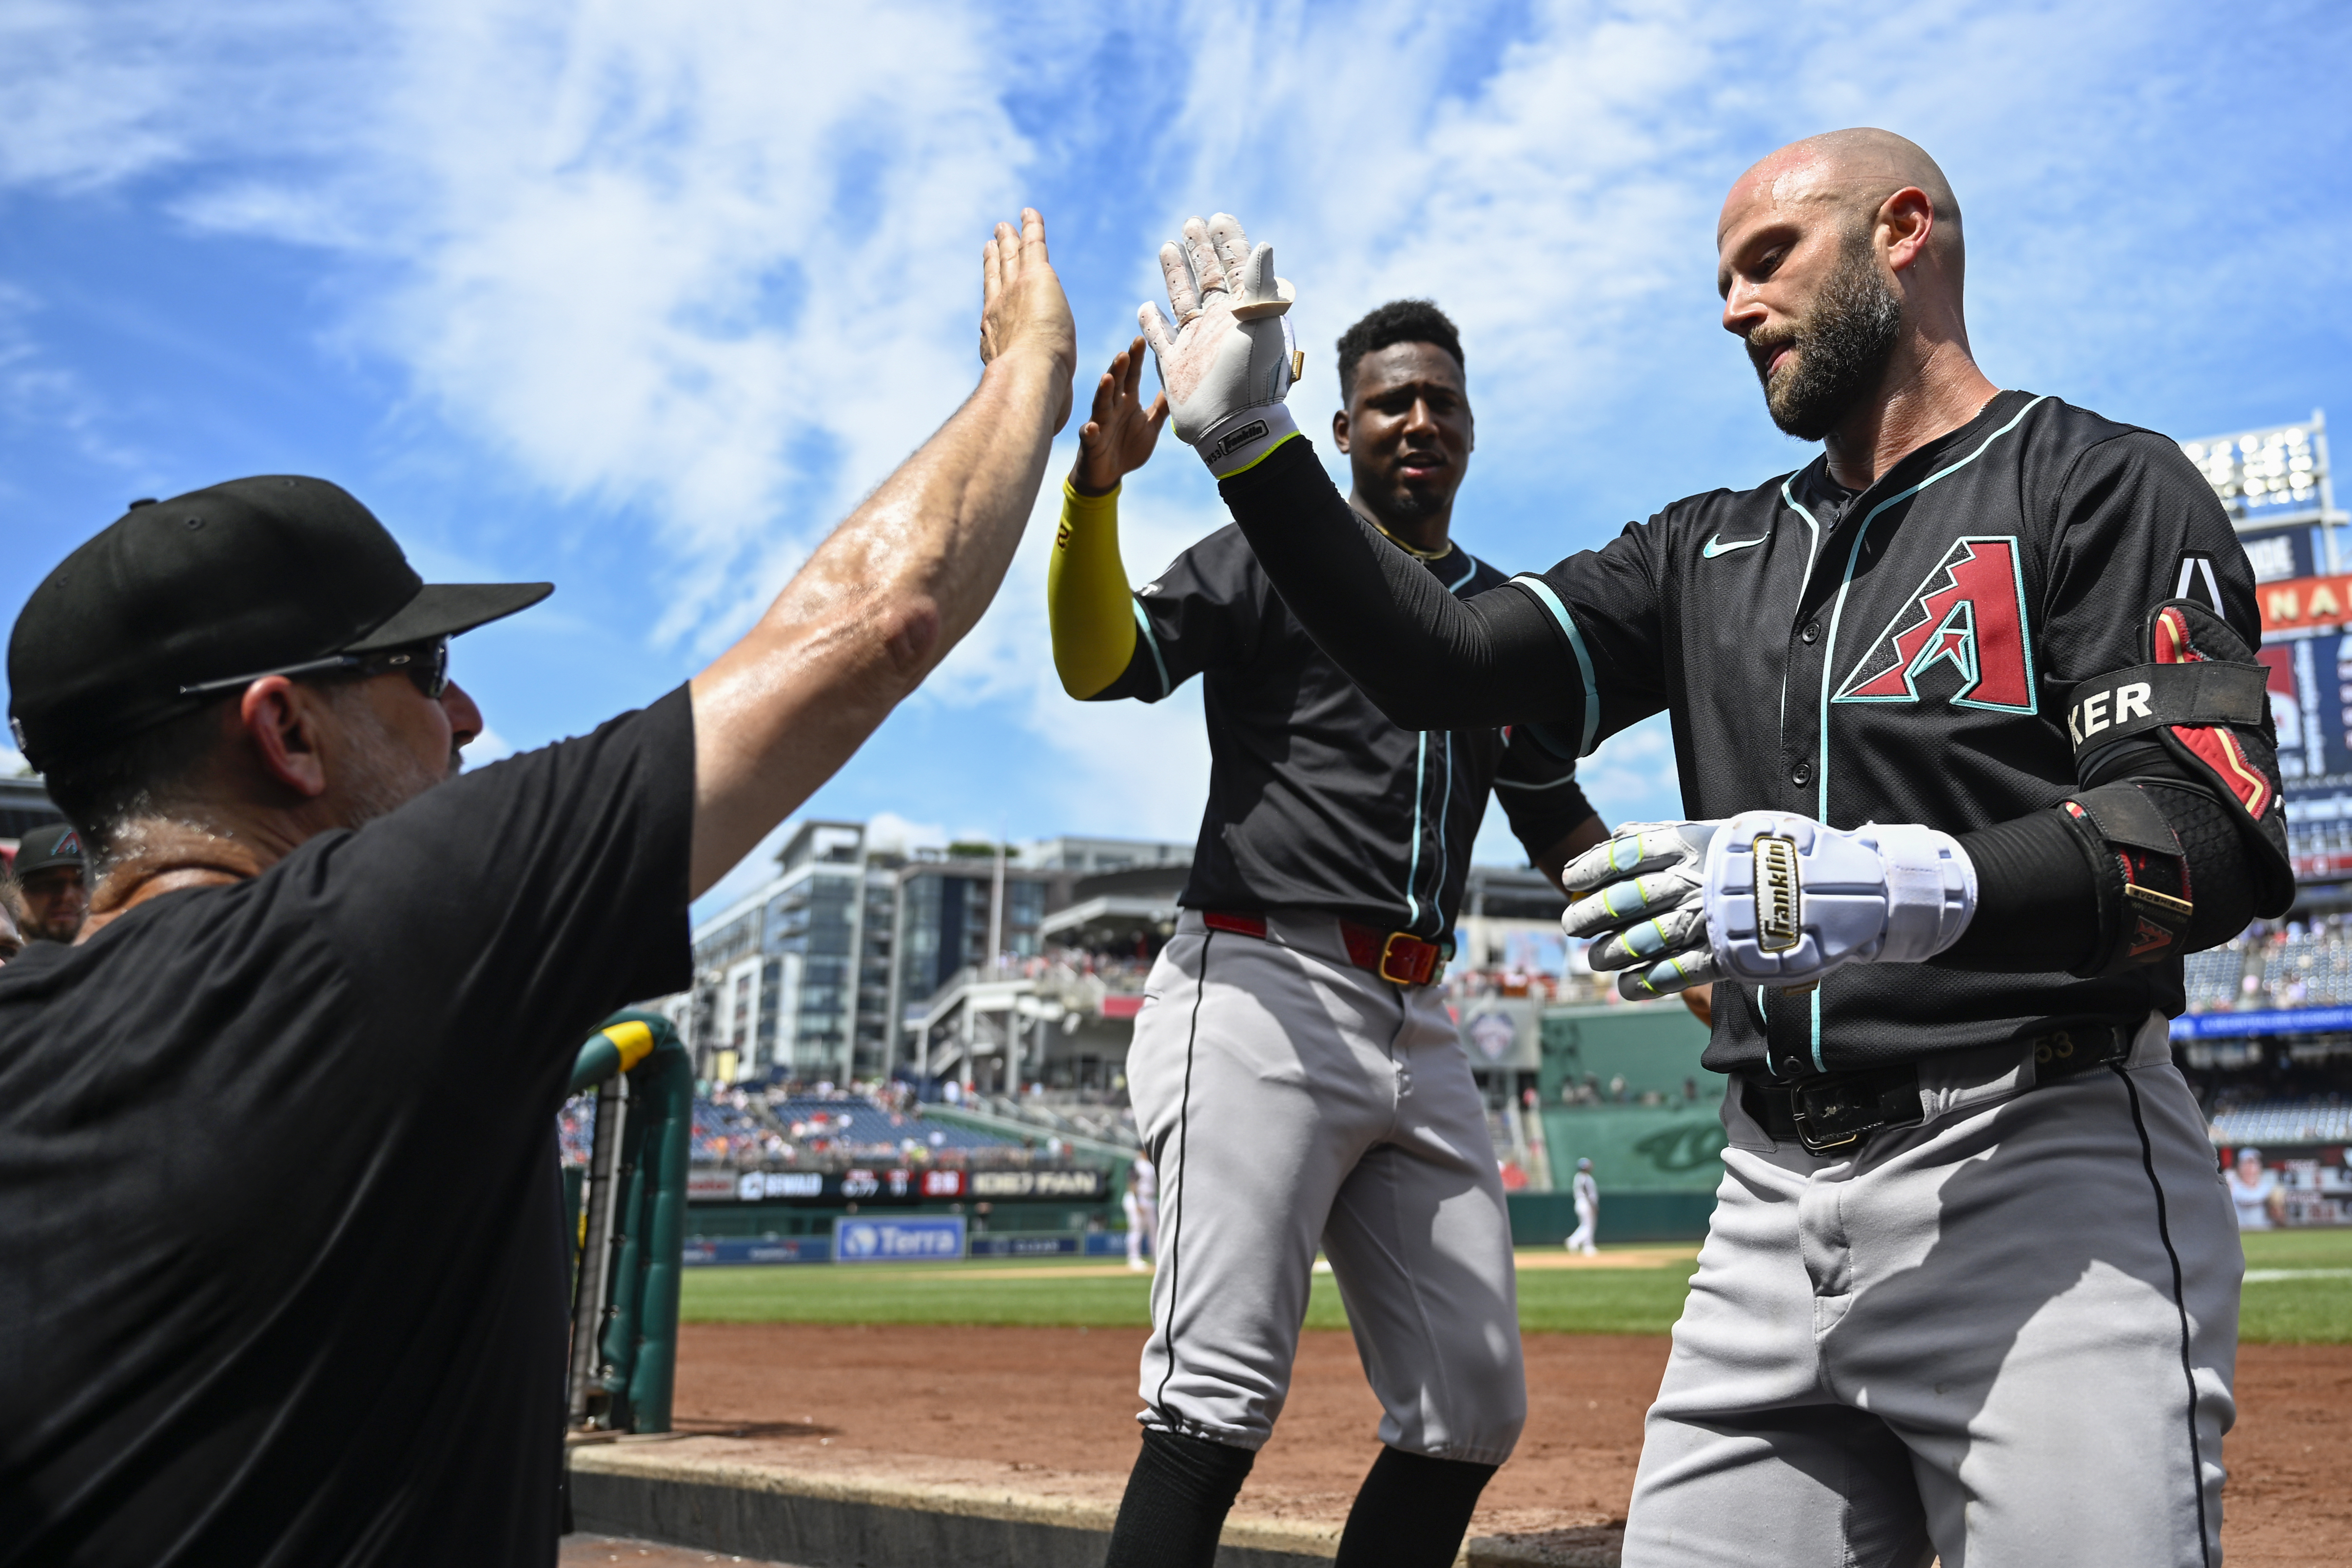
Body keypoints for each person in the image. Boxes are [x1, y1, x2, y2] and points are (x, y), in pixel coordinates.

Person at [1139, 130, 2285, 1567]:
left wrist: (1878, 884)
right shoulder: (1703, 548)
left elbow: (2203, 829)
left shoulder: (2099, 483)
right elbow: (1437, 663)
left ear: (1905, 231)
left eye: (1768, 259)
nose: (1733, 306)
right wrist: (1256, 450)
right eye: (1724, 279)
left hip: (2044, 1169)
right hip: (1766, 1213)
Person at [0, 210, 1075, 1566]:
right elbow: (877, 622)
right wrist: (1027, 369)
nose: (467, 715)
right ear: (285, 734)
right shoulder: (365, 946)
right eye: (422, 672)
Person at [1050, 289, 1607, 1568]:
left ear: (1470, 434)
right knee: (1213, 1404)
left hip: (1422, 1018)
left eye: (1442, 403)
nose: (1420, 419)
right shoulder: (1268, 556)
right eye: (1390, 402)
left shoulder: (1496, 620)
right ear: (1341, 431)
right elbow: (1104, 663)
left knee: (1470, 1409)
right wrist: (1094, 501)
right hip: (1261, 985)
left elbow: (1558, 818)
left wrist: (1700, 967)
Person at [9, 820, 86, 943]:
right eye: (48, 884)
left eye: (81, 883)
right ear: (13, 895)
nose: (68, 896)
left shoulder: (121, 959)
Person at [2225, 1147, 2286, 1230]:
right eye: (2246, 1164)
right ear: (2239, 1166)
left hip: (2264, 1233)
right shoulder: (2232, 1186)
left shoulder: (2268, 1188)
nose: (2250, 1168)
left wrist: (2277, 1211)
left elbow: (2280, 1220)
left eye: (2253, 1164)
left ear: (2259, 1166)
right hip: (2240, 1233)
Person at [1123, 1153, 1160, 1272]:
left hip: (1150, 1199)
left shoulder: (1151, 1164)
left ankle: (1156, 1258)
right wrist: (1137, 1202)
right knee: (1136, 1229)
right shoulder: (1137, 1164)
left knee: (1154, 1230)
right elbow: (1132, 1182)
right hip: (1138, 1199)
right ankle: (1134, 1258)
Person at [1564, 1156, 1599, 1255]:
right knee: (1588, 1226)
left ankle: (1588, 1246)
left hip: (1581, 1203)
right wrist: (1593, 1205)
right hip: (1585, 1203)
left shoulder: (1579, 1177)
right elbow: (1588, 1192)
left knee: (1586, 1225)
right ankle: (1573, 1241)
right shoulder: (1584, 1178)